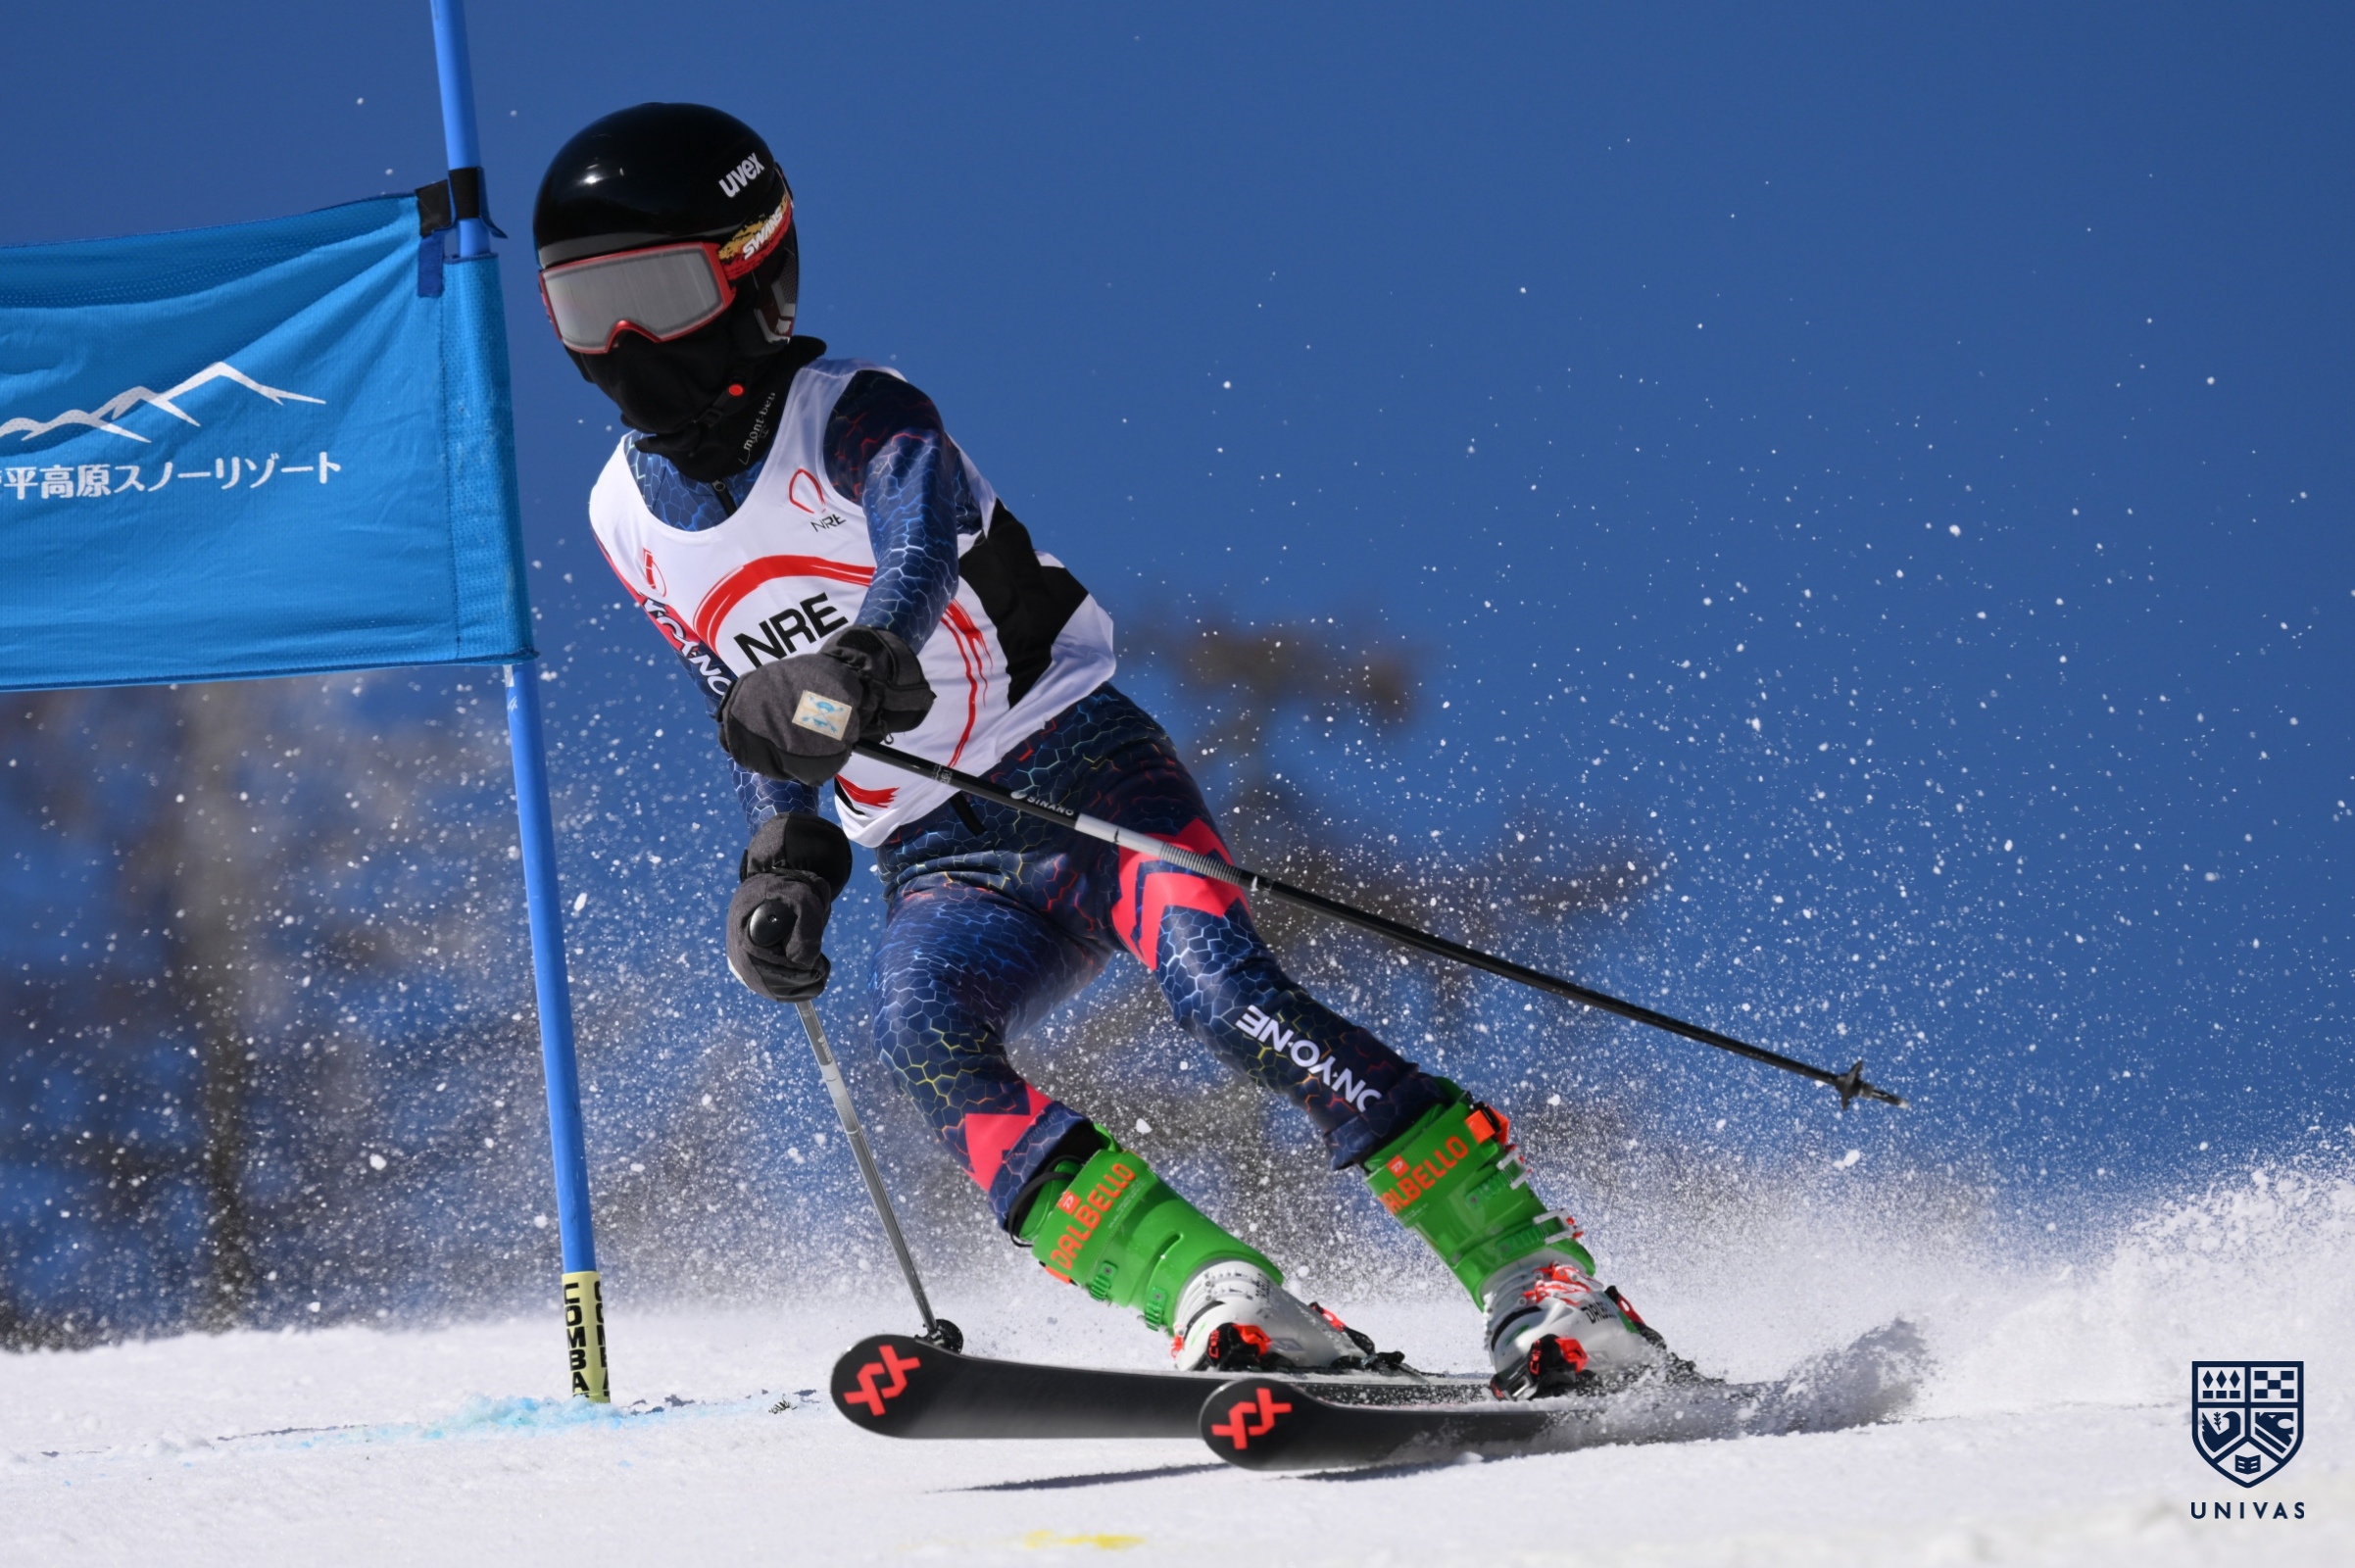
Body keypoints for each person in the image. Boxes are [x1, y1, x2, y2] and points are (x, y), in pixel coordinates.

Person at [532, 102, 1677, 1396]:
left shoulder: (858, 416)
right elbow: (740, 695)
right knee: (922, 1036)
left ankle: (1541, 1275)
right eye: (587, 310)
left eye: (660, 296)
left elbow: (917, 551)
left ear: (757, 272)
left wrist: (865, 662)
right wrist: (787, 856)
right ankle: (1214, 1291)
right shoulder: (620, 517)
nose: (627, 346)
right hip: (935, 860)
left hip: (1081, 775)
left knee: (1228, 1001)